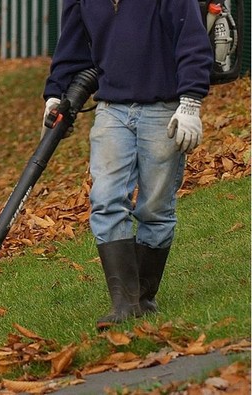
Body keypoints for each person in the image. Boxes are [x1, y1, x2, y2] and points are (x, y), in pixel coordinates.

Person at [42, 0, 213, 330]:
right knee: (105, 200)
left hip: (163, 109)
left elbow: (192, 43)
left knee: (155, 209)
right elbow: (72, 49)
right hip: (111, 110)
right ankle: (124, 304)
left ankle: (143, 298)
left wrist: (190, 102)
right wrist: (56, 95)